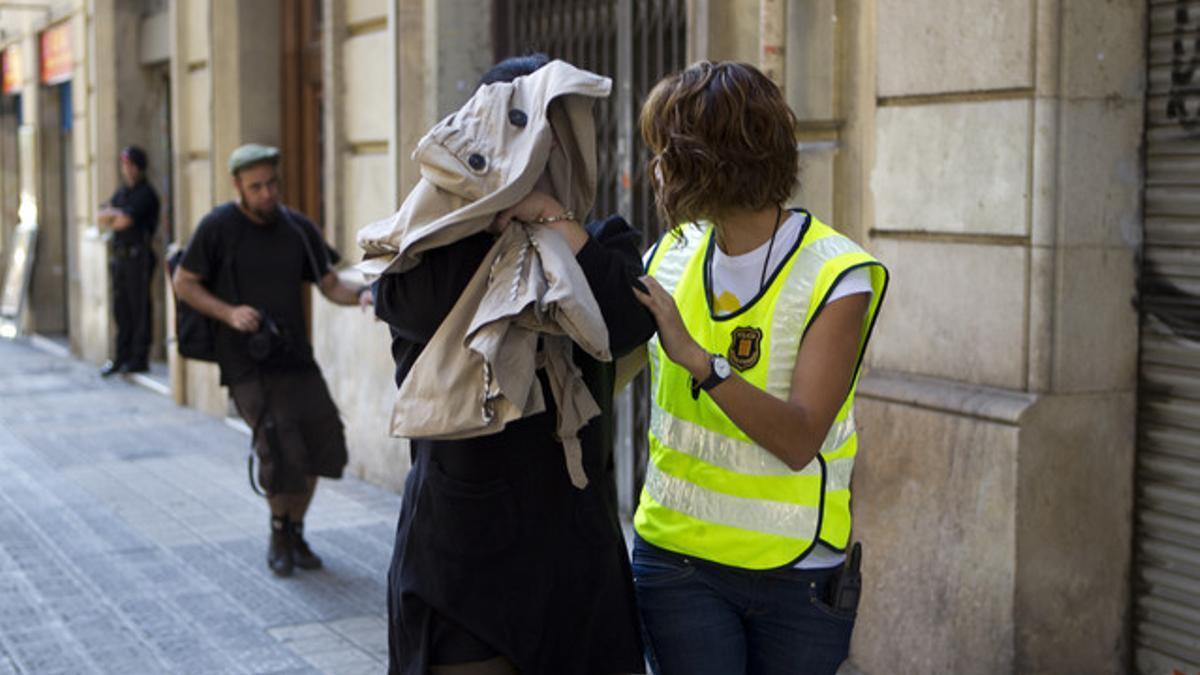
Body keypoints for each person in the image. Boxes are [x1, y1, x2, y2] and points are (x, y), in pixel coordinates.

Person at [370, 55, 654, 674]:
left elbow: (630, 322)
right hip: (464, 564)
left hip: (573, 552)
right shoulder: (426, 250)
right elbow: (410, 309)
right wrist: (474, 206)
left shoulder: (603, 241)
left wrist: (553, 219)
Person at [628, 61, 889, 675]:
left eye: (666, 152)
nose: (655, 170)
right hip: (676, 562)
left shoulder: (836, 274)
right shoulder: (667, 255)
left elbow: (800, 439)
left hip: (796, 577)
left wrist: (701, 362)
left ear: (709, 162)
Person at [172, 143, 373, 577]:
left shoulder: (296, 227)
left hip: (295, 356)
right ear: (238, 187)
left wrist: (366, 295)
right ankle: (278, 532)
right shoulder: (218, 228)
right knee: (281, 450)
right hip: (247, 363)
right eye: (256, 187)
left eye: (272, 184)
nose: (267, 194)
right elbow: (183, 282)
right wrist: (229, 313)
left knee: (323, 443)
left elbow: (330, 284)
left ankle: (296, 530)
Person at [97, 145, 161, 376]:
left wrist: (116, 216)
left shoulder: (146, 194)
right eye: (125, 164)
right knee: (120, 308)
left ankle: (138, 357)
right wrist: (115, 216)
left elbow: (124, 221)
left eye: (131, 165)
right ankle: (121, 356)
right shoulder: (122, 193)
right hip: (120, 256)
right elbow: (103, 216)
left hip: (138, 257)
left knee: (139, 308)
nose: (127, 169)